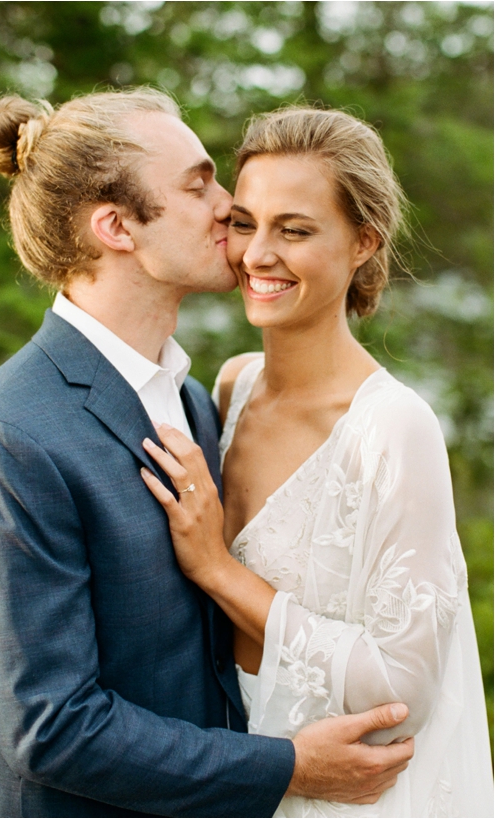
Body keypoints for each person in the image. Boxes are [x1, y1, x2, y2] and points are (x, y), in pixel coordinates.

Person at [0, 88, 415, 818]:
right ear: (116, 227)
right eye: (198, 185)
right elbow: (48, 727)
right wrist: (288, 766)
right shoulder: (11, 432)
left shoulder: (200, 399)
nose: (229, 205)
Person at [139, 106, 494, 817]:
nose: (256, 254)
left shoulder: (394, 428)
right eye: (244, 222)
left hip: (348, 797)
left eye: (294, 230)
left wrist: (217, 567)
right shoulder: (230, 387)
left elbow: (401, 688)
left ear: (363, 240)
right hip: (233, 774)